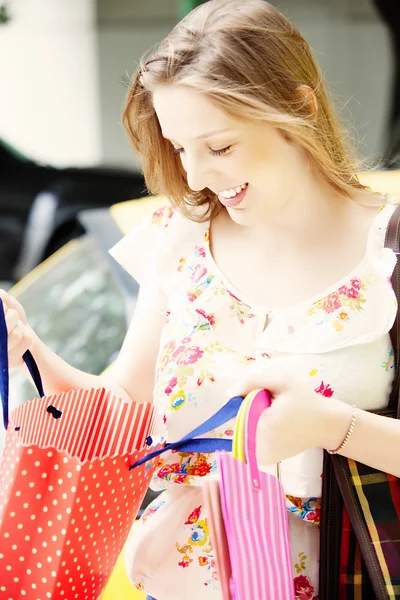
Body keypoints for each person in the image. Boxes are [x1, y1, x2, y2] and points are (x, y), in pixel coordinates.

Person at [2, 1, 400, 598]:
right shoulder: (182, 238)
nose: (194, 178)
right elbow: (122, 410)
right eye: (180, 148)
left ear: (299, 106)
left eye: (218, 146)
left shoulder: (387, 251)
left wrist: (330, 425)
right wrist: (25, 349)